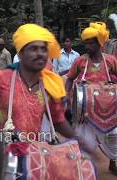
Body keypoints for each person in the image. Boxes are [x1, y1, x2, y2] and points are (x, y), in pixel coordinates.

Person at [0, 24, 95, 178]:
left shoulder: (48, 85)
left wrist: (79, 140)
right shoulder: (0, 78)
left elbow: (58, 120)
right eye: (33, 49)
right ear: (20, 53)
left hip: (30, 159)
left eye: (43, 49)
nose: (40, 53)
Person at [66, 22, 117, 175]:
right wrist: (66, 98)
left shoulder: (111, 60)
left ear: (100, 43)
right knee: (84, 137)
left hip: (109, 107)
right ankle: (84, 168)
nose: (88, 46)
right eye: (86, 42)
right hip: (85, 109)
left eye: (92, 42)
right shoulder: (80, 61)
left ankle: (114, 161)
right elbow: (69, 79)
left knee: (113, 136)